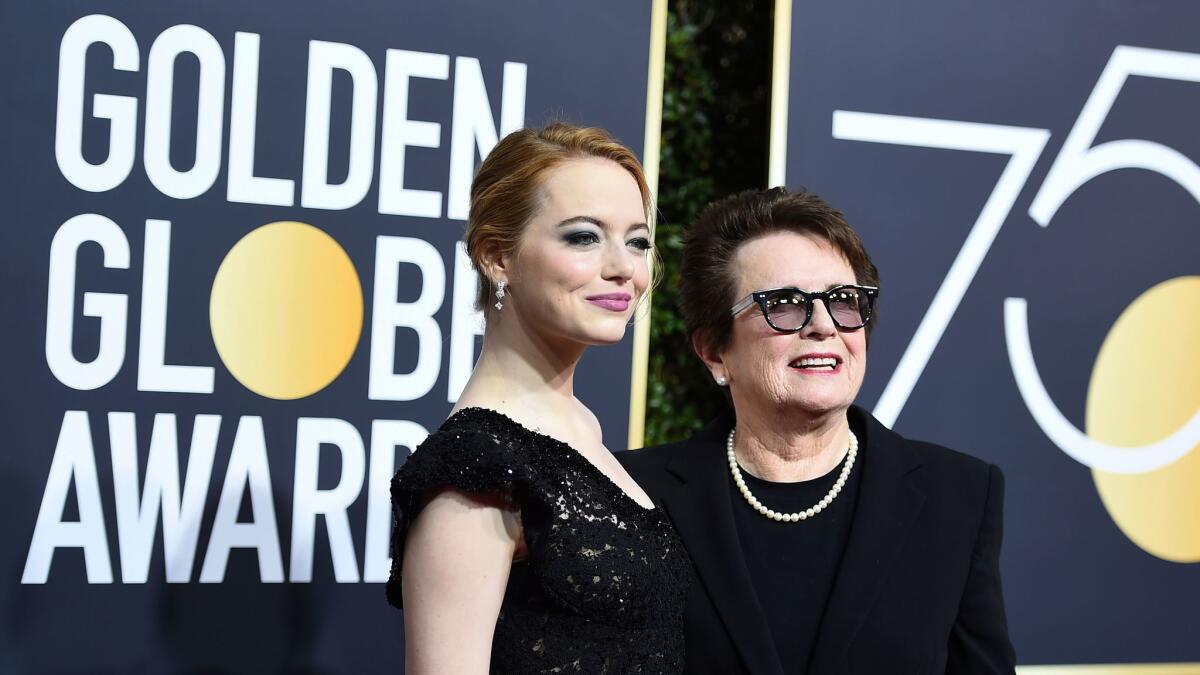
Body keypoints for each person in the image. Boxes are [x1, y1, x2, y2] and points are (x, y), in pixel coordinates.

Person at [621, 187, 1016, 674]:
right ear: (714, 351)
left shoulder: (958, 496)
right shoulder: (632, 496)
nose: (825, 325)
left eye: (844, 300)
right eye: (784, 303)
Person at [386, 122, 691, 674]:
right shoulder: (477, 469)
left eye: (638, 241)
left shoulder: (581, 426)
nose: (624, 267)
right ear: (496, 257)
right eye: (583, 236)